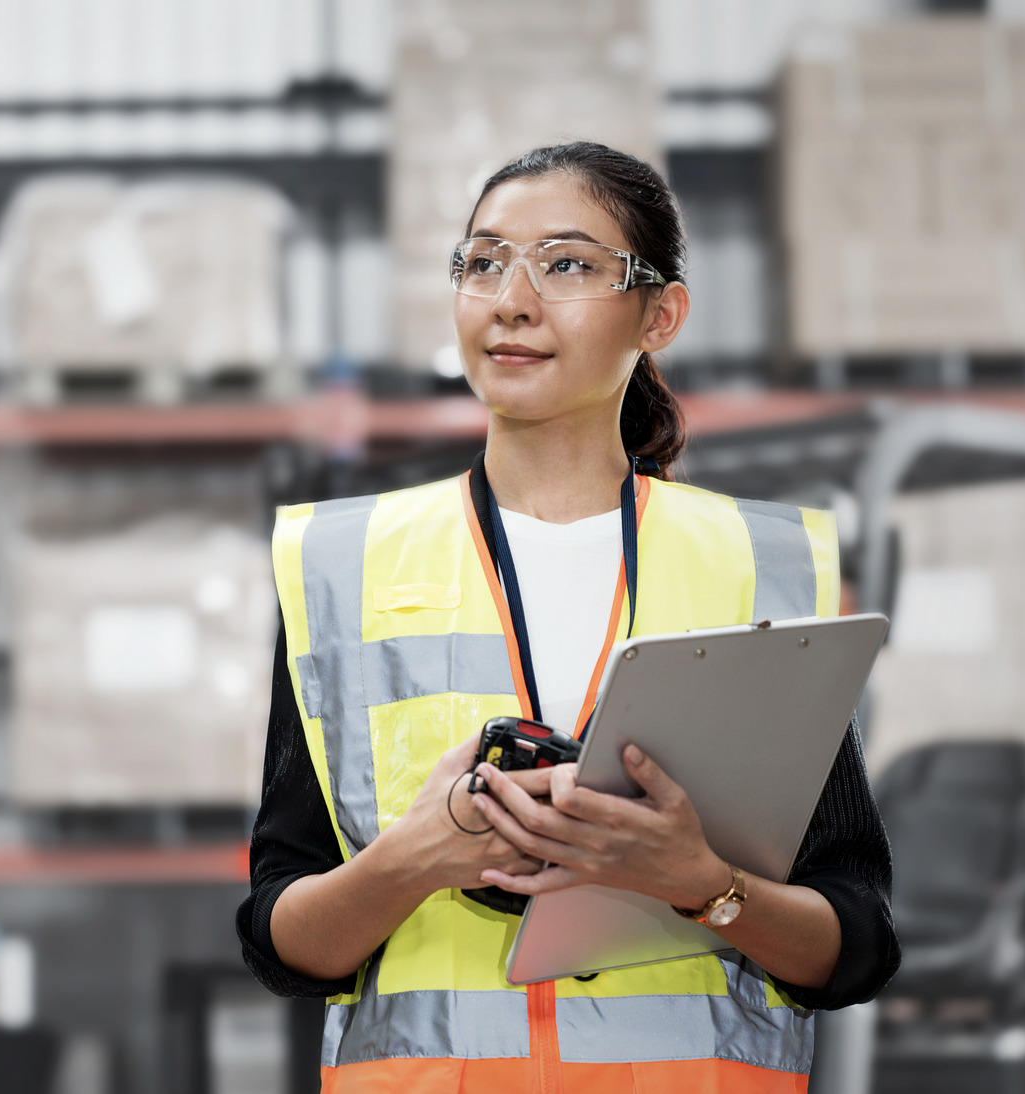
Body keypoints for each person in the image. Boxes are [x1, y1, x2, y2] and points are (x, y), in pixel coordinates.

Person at [236, 142, 899, 1093]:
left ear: (660, 313)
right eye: (482, 262)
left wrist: (697, 881)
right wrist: (415, 860)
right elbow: (279, 941)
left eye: (569, 264)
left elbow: (856, 946)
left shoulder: (760, 567)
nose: (511, 298)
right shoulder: (344, 566)